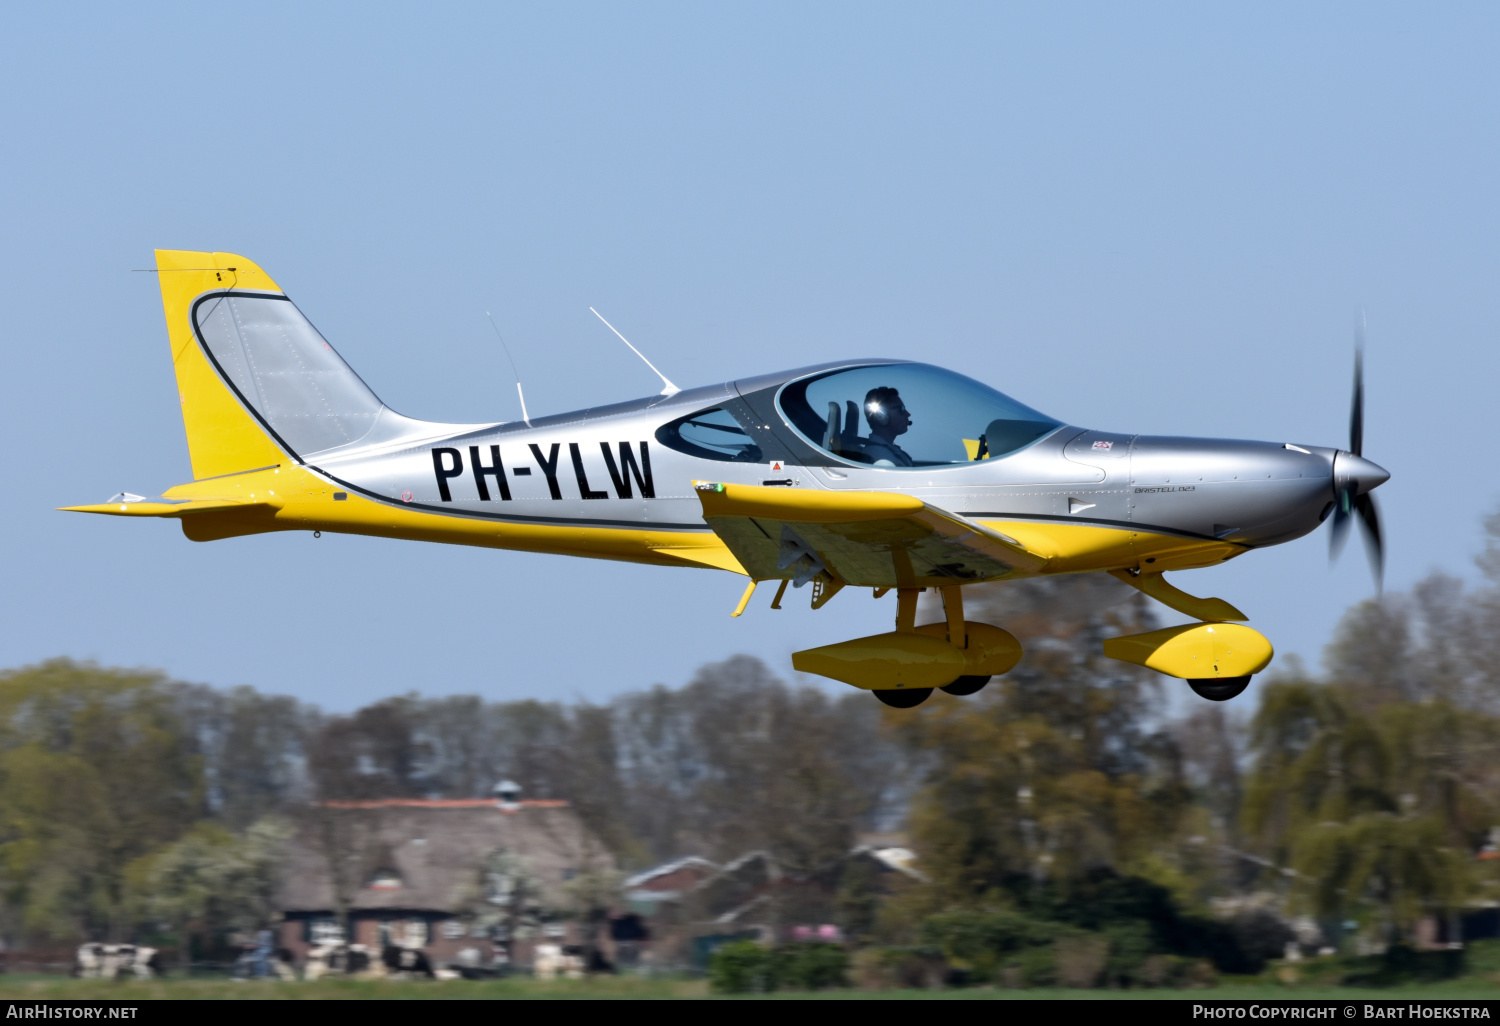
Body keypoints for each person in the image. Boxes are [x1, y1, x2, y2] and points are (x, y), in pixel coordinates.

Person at [861, 386, 914, 466]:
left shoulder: (891, 451)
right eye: (901, 409)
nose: (908, 414)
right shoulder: (878, 455)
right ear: (881, 416)